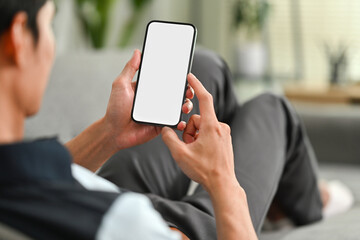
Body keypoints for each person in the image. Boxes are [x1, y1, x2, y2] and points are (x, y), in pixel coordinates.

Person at [0, 0, 340, 239]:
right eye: (48, 23)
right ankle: (312, 202)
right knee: (271, 108)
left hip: (102, 195)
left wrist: (109, 133)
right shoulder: (123, 225)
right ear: (18, 38)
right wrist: (223, 182)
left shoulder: (19, 169)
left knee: (205, 68)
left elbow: (39, 178)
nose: (52, 48)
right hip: (175, 227)